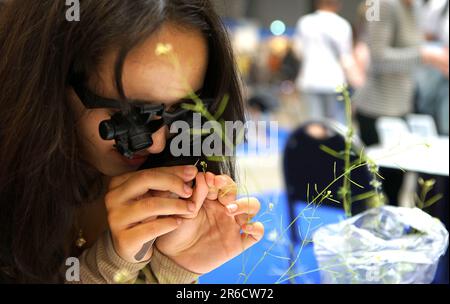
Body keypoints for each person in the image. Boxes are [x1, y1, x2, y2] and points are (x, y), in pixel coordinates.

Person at [0, 0, 264, 283]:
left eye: (184, 111)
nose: (158, 144)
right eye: (128, 115)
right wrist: (106, 269)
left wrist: (171, 268)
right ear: (50, 81)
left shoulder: (173, 175)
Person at [354, 0, 449, 204]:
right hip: (376, 109)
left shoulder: (412, 9)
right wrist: (425, 55)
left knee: (398, 186)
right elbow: (378, 58)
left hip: (402, 107)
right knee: (376, 190)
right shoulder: (380, 4)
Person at [293, 0, 363, 125]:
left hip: (309, 80)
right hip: (334, 82)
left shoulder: (305, 22)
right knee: (336, 127)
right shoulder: (342, 25)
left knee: (313, 126)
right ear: (337, 4)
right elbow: (345, 58)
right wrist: (358, 81)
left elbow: (298, 52)